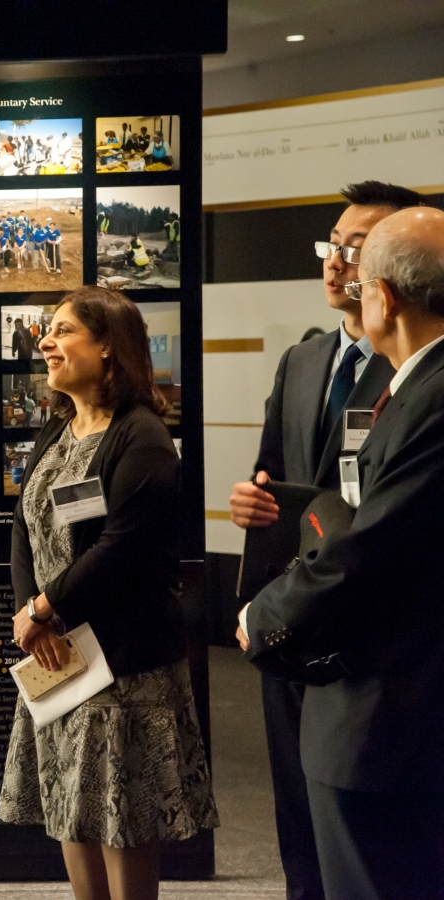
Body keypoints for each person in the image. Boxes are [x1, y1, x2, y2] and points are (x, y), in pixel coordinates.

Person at [241, 205, 444, 899]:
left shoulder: (431, 394)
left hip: (388, 706)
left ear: (382, 296)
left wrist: (259, 619)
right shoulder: (406, 384)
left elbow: (372, 542)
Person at [0, 287, 218, 899]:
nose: (46, 340)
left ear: (108, 348)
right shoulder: (58, 427)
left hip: (122, 662)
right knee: (73, 801)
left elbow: (121, 546)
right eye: (48, 329)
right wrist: (30, 610)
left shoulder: (142, 435)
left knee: (123, 815)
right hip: (59, 655)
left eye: (64, 330)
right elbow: (25, 525)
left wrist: (45, 608)